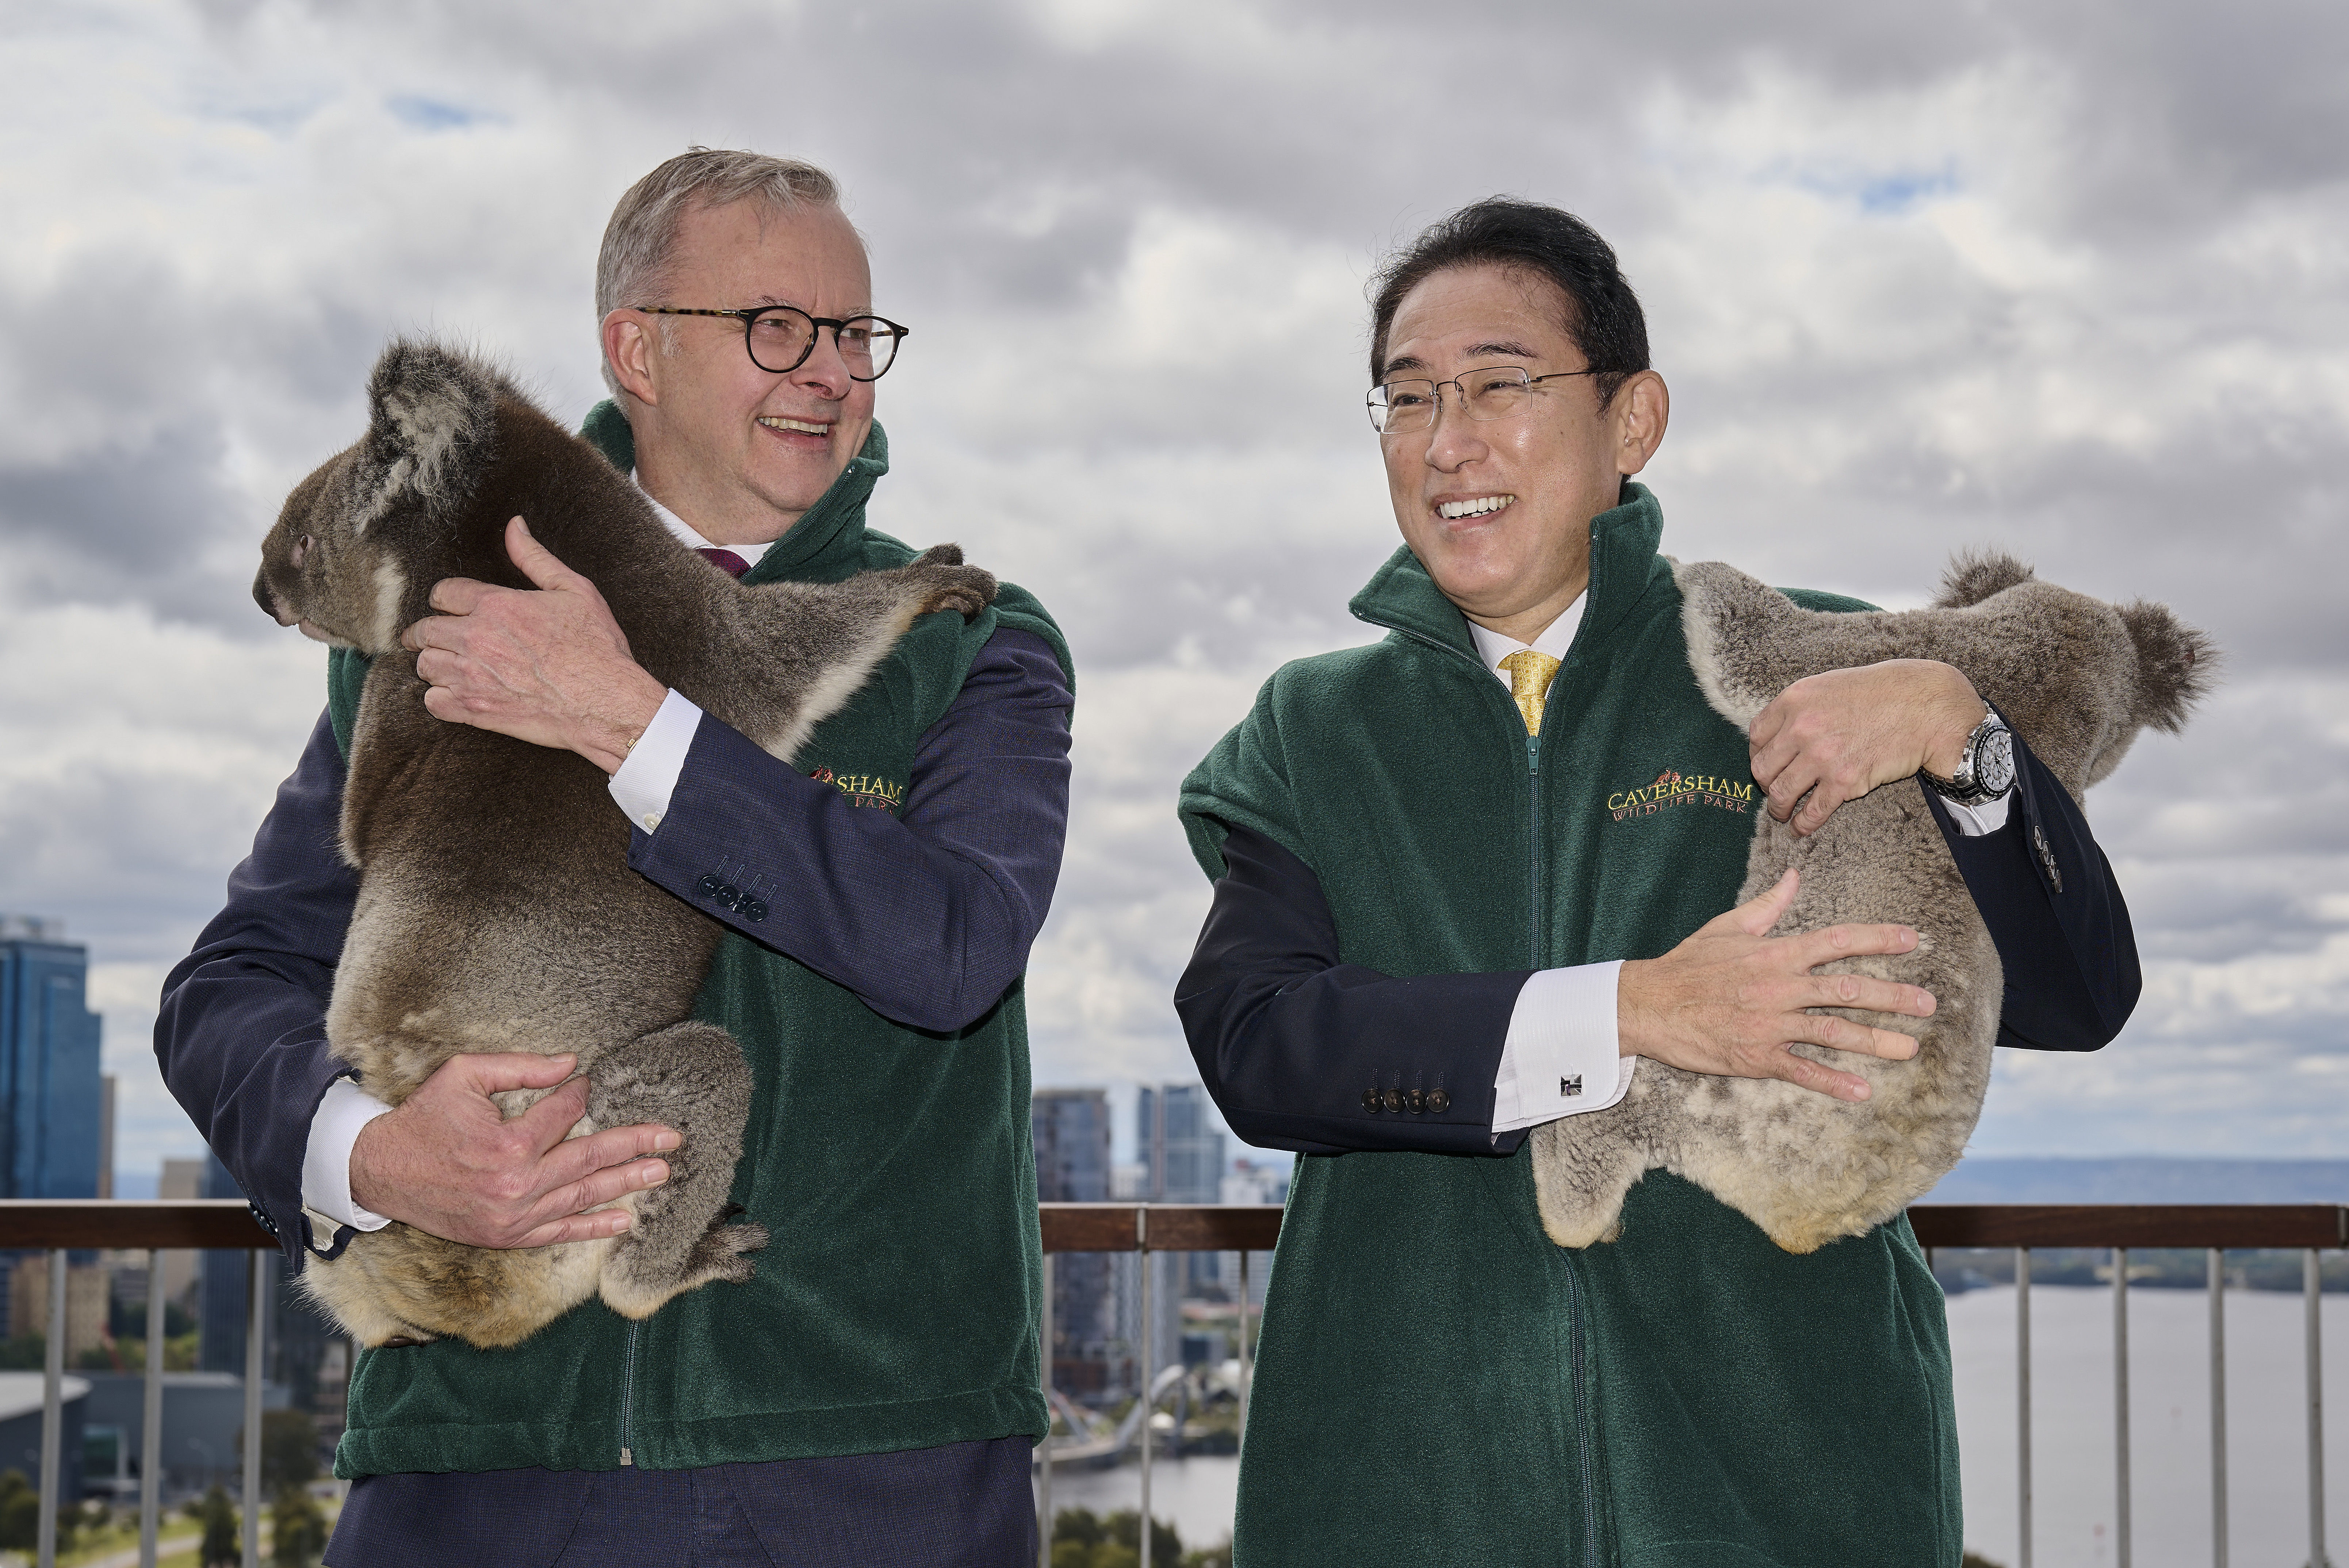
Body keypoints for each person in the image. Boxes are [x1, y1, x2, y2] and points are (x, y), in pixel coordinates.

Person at [1174, 199, 2138, 1567]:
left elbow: (2075, 997)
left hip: (1784, 1480)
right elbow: (1260, 1050)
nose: (1447, 439)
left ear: (1632, 420)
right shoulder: (1309, 731)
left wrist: (1963, 734)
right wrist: (1628, 1010)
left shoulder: (1820, 666)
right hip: (1404, 1481)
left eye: (1501, 383)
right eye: (1405, 396)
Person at [158, 149, 1072, 1566]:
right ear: (633, 349)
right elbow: (230, 990)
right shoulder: (433, 637)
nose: (828, 371)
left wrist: (636, 725)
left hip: (870, 1470)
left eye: (856, 335)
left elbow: (949, 953)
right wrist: (374, 1154)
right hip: (476, 1461)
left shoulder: (968, 643)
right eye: (775, 326)